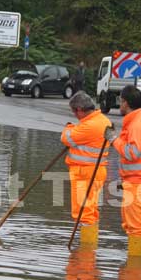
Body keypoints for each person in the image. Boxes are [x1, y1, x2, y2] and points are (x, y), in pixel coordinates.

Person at [104, 85, 141, 256]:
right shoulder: (135, 122)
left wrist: (113, 139)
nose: (120, 104)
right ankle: (132, 271)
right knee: (130, 225)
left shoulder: (137, 125)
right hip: (134, 181)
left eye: (120, 100)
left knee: (135, 228)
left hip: (138, 183)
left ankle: (134, 270)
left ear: (125, 102)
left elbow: (131, 153)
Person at [61, 91, 111, 246]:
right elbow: (78, 139)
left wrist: (69, 127)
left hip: (86, 172)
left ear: (80, 110)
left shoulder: (91, 125)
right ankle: (88, 251)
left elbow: (66, 138)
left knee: (83, 213)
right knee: (90, 210)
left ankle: (86, 253)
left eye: (74, 112)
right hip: (93, 171)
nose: (75, 116)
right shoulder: (102, 120)